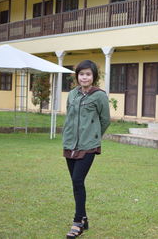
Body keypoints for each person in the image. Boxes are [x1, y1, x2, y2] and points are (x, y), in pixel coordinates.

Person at [62, 60, 110, 239]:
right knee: (76, 183)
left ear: (94, 76)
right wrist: (67, 135)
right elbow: (69, 116)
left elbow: (105, 120)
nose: (84, 77)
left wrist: (94, 136)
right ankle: (84, 217)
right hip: (69, 143)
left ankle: (77, 223)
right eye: (81, 74)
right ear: (77, 76)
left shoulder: (99, 96)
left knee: (77, 179)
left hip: (88, 146)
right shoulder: (72, 94)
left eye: (88, 74)